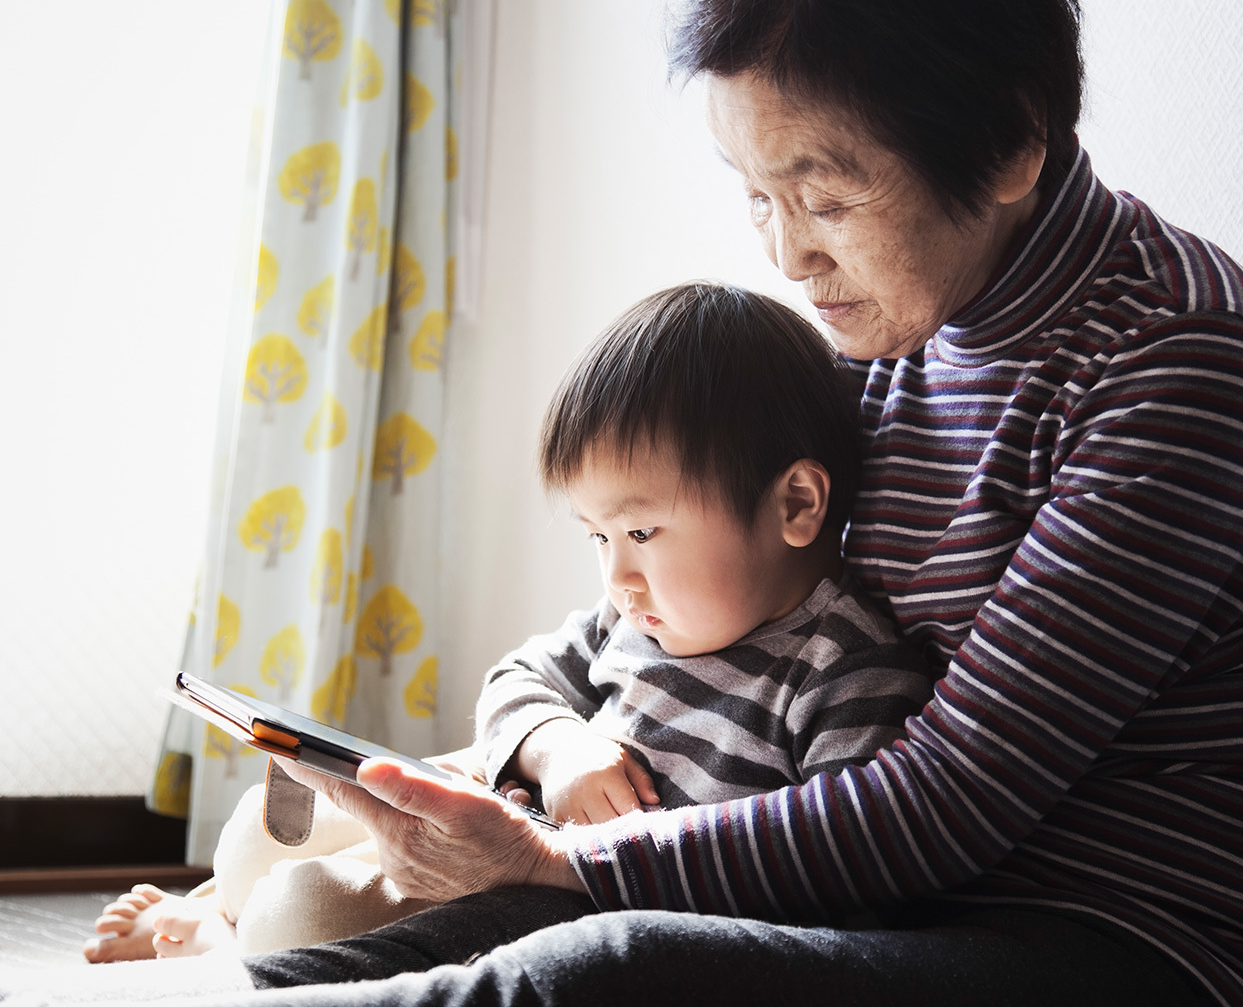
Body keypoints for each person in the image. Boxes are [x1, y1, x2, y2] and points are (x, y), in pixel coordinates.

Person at [17, 0, 1243, 1005]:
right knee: (427, 926)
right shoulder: (887, 340)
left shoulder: (1175, 361)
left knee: (604, 958)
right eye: (757, 198)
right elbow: (646, 620)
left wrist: (572, 861)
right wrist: (542, 769)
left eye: (828, 196)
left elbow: (949, 808)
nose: (789, 255)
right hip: (915, 907)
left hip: (1141, 949)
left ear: (1015, 138)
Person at [79, 283, 932, 967]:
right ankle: (217, 902)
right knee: (256, 836)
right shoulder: (632, 615)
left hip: (573, 892)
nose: (618, 575)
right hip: (507, 808)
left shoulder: (843, 672)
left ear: (796, 503)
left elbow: (834, 878)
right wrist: (557, 746)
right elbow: (517, 680)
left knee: (301, 912)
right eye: (598, 537)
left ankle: (230, 938)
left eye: (640, 533)